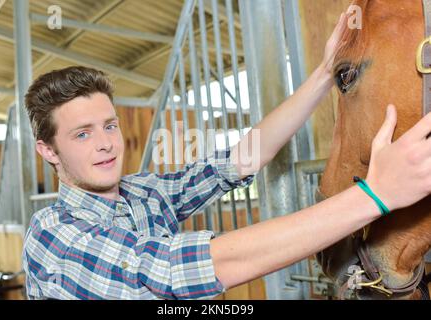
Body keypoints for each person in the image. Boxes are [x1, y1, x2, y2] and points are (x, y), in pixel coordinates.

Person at [22, 13, 431, 300]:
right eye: (82, 134)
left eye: (110, 125)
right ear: (48, 150)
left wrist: (324, 75)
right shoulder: (52, 234)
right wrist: (375, 196)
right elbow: (172, 271)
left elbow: (242, 159)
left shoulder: (142, 193)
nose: (107, 143)